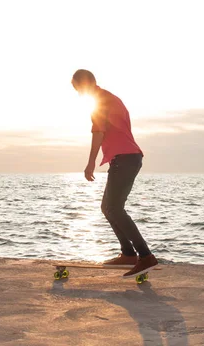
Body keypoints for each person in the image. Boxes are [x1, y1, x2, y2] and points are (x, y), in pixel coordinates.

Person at [71, 69, 158, 278]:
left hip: (125, 158)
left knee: (114, 208)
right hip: (129, 158)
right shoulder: (112, 98)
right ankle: (128, 253)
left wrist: (90, 162)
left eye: (77, 89)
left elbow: (98, 132)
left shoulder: (99, 101)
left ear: (84, 85)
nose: (78, 94)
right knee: (108, 208)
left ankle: (145, 255)